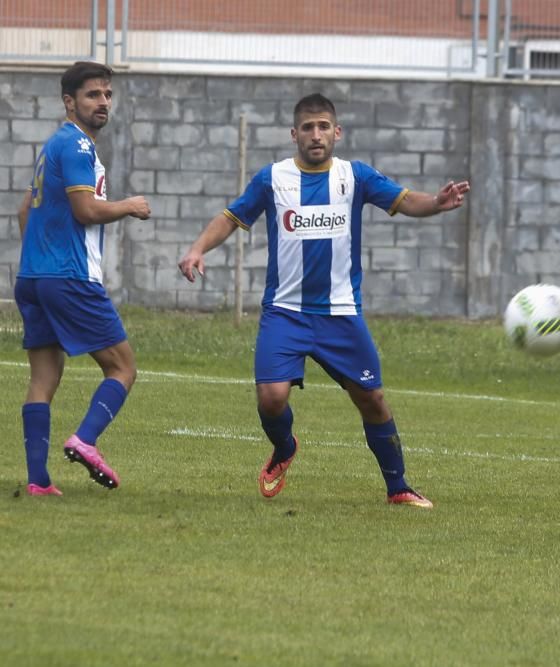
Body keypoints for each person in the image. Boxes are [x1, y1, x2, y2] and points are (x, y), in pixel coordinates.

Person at [178, 93, 470, 508]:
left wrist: (436, 204)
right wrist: (197, 249)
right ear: (294, 134)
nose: (316, 135)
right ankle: (284, 448)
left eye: (323, 127)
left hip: (340, 313)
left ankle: (398, 486)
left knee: (371, 399)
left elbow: (404, 200)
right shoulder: (272, 179)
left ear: (337, 132)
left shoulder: (356, 177)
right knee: (272, 397)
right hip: (285, 310)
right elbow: (232, 216)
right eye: (308, 128)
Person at [15, 61, 152, 495]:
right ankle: (86, 439)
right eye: (93, 95)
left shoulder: (53, 145)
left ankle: (38, 482)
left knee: (43, 379)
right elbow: (86, 210)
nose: (103, 103)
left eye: (107, 95)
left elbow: (24, 211)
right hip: (69, 278)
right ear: (69, 102)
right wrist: (129, 205)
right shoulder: (76, 147)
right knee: (123, 367)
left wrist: (42, 256)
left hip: (33, 278)